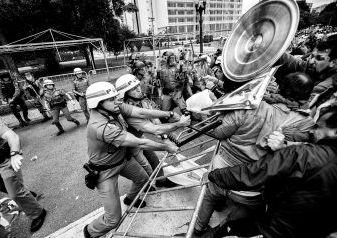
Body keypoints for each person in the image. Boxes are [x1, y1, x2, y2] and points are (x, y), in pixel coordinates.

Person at [193, 72, 316, 236]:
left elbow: (219, 133)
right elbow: (304, 149)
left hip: (221, 170)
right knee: (245, 210)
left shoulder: (249, 104)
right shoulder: (303, 122)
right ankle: (221, 230)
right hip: (253, 185)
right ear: (306, 98)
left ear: (279, 87)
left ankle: (197, 228)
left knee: (210, 196)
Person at [206, 106, 337, 238]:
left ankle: (200, 228)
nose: (313, 131)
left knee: (215, 205)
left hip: (274, 225)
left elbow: (253, 173)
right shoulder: (303, 127)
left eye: (319, 127)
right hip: (273, 213)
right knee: (242, 211)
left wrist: (213, 175)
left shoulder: (307, 154)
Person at [83, 82, 179, 238]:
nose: (117, 101)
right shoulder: (100, 126)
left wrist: (167, 114)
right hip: (105, 171)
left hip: (122, 160)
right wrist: (167, 147)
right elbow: (141, 142)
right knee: (112, 220)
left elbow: (141, 112)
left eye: (116, 97)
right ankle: (90, 231)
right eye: (111, 99)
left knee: (143, 180)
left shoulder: (111, 107)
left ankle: (130, 199)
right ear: (97, 103)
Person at [0, 111, 47, 233]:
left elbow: (11, 135)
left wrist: (14, 154)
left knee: (15, 194)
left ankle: (38, 213)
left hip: (5, 160)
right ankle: (27, 194)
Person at [115, 74, 191, 185]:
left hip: (140, 137)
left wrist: (165, 137)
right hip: (133, 145)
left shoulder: (142, 99)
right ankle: (142, 190)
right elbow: (154, 129)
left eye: (137, 86)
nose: (138, 89)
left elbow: (154, 118)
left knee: (155, 161)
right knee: (146, 170)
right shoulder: (128, 110)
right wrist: (179, 124)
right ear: (125, 93)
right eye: (133, 89)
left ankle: (161, 181)